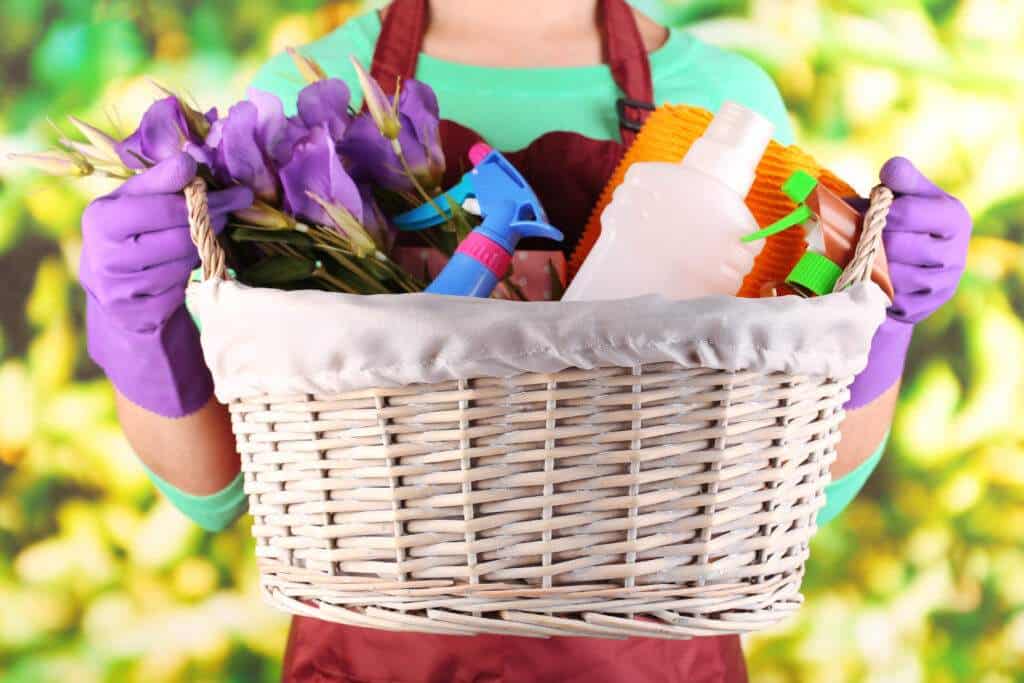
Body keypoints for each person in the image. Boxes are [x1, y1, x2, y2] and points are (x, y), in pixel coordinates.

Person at [77, 1, 973, 681]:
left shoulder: (728, 98)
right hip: (380, 655)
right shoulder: (306, 90)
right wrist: (137, 320)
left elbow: (794, 502)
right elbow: (217, 495)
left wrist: (877, 322)